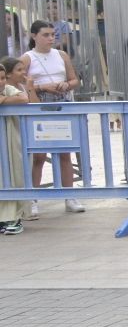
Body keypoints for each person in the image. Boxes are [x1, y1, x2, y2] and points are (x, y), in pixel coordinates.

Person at [21, 20, 84, 217]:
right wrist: (41, 87)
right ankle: (32, 198)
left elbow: (75, 79)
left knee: (65, 152)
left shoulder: (61, 55)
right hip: (38, 105)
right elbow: (20, 83)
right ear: (34, 36)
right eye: (45, 35)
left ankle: (69, 196)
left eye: (52, 35)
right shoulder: (27, 58)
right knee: (38, 155)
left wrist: (66, 85)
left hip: (61, 103)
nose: (50, 38)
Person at [0, 57, 30, 235]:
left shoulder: (10, 89)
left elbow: (23, 98)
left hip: (9, 143)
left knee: (11, 176)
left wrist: (2, 99)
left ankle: (13, 217)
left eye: (3, 78)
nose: (2, 82)